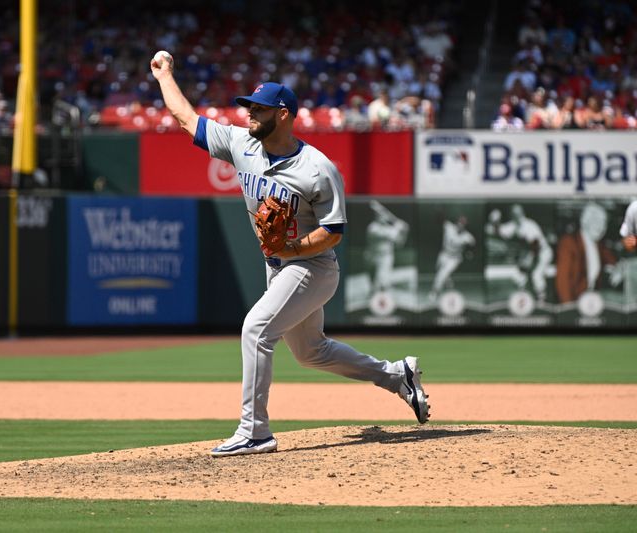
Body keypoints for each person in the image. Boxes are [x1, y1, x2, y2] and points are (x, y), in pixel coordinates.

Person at [150, 53, 430, 457]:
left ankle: (255, 431)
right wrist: (165, 76)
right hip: (279, 267)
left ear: (282, 115)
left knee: (256, 330)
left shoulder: (317, 168)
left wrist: (292, 248)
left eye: (258, 109)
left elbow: (333, 232)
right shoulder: (242, 143)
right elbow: (185, 119)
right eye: (249, 107)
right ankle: (397, 375)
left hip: (312, 267)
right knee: (310, 351)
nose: (249, 114)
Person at [486, 204, 553, 301]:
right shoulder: (513, 225)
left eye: (518, 213)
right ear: (511, 215)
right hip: (530, 253)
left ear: (522, 213)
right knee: (518, 277)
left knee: (536, 275)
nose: (516, 216)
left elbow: (536, 245)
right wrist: (495, 222)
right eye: (514, 214)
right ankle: (524, 299)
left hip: (543, 253)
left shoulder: (529, 226)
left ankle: (542, 301)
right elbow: (500, 231)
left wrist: (530, 260)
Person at [555, 203, 620, 303]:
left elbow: (614, 261)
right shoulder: (569, 243)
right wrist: (568, 309)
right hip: (574, 302)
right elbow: (563, 280)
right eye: (597, 221)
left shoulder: (599, 245)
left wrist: (618, 270)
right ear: (584, 222)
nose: (602, 227)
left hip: (592, 301)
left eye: (604, 223)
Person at [364, 200, 409, 294]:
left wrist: (404, 232)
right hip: (372, 256)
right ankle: (375, 294)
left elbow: (399, 243)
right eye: (380, 215)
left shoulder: (389, 228)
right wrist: (399, 226)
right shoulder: (372, 228)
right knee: (373, 282)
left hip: (386, 257)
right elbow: (390, 234)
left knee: (382, 281)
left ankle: (381, 295)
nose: (383, 217)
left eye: (384, 216)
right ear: (376, 216)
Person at [429, 214, 476, 301]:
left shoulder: (467, 236)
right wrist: (438, 212)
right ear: (456, 223)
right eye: (459, 223)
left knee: (441, 274)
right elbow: (438, 219)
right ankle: (448, 279)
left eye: (463, 224)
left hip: (455, 259)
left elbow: (473, 245)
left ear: (465, 226)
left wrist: (470, 252)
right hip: (444, 254)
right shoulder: (449, 226)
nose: (460, 225)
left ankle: (435, 292)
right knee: (438, 269)